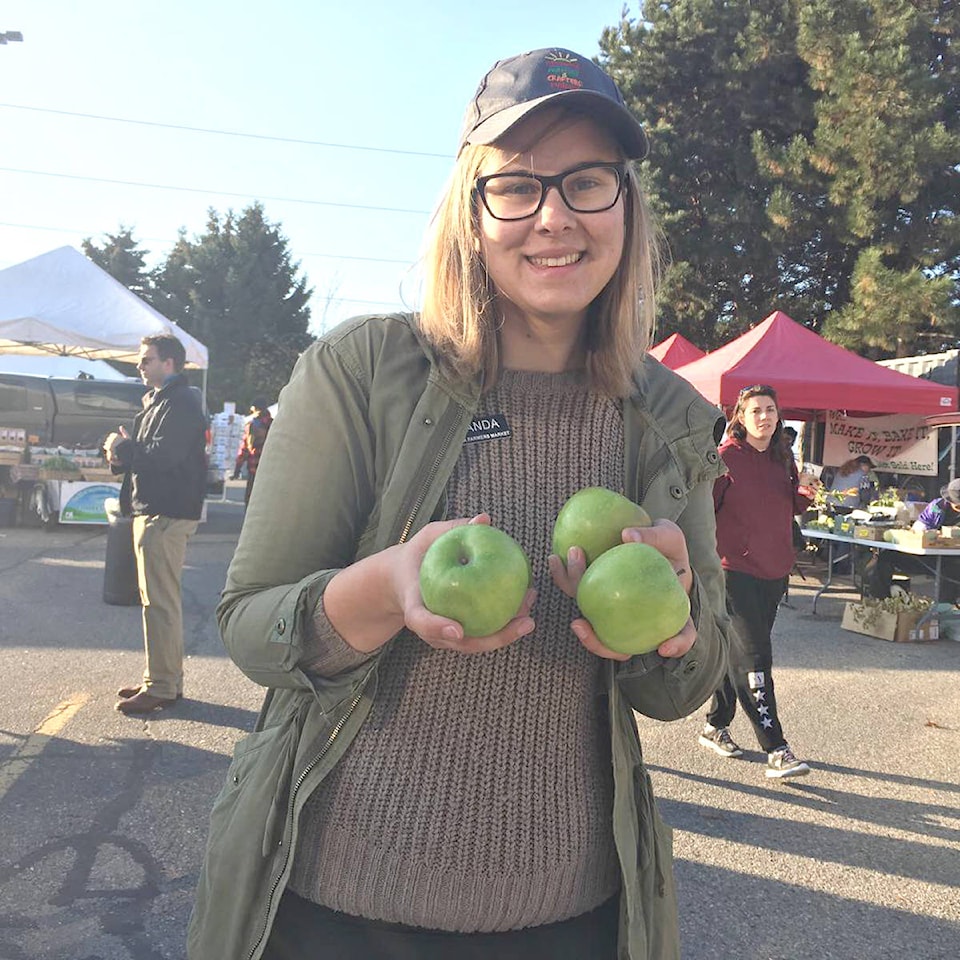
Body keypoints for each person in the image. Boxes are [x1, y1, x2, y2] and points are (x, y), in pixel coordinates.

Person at [188, 46, 731, 960]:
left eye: (587, 182)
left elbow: (682, 689)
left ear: (625, 208)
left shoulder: (669, 417)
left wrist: (674, 630)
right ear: (471, 213)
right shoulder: (361, 372)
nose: (553, 215)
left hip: (573, 916)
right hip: (336, 910)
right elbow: (251, 627)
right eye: (516, 186)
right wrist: (382, 590)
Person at [698, 384, 815, 779]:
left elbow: (788, 507)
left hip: (775, 572)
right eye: (755, 411)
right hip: (735, 573)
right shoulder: (726, 458)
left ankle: (715, 725)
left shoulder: (785, 458)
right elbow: (702, 512)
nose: (764, 417)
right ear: (741, 417)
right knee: (756, 658)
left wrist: (804, 495)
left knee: (741, 656)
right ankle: (777, 749)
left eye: (770, 409)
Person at [103, 334, 207, 714]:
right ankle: (165, 679)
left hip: (165, 512)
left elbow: (163, 456)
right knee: (159, 601)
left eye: (147, 360)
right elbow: (149, 456)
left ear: (170, 363)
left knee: (158, 603)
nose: (140, 366)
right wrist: (122, 454)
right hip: (156, 509)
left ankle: (161, 684)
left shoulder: (180, 402)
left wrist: (122, 447)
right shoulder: (162, 400)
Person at [865, 478, 960, 603]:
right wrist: (926, 532)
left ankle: (945, 609)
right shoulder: (937, 507)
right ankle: (879, 599)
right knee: (886, 556)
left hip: (952, 560)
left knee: (953, 571)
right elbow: (921, 525)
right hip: (927, 555)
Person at [232, 397, 273, 504]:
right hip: (269, 468)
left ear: (255, 409)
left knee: (250, 501)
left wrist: (237, 469)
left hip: (253, 467)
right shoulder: (273, 424)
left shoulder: (250, 425)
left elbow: (244, 449)